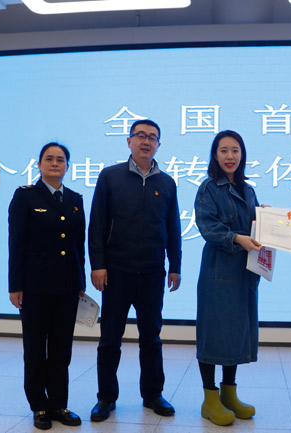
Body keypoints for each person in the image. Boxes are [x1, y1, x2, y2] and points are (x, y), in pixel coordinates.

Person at [88, 119, 182, 421]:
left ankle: (153, 394)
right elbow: (97, 224)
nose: (146, 141)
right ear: (129, 141)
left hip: (153, 272)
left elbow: (173, 227)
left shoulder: (167, 183)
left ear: (158, 145)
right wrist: (98, 265)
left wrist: (175, 265)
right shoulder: (110, 176)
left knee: (151, 337)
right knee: (110, 338)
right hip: (116, 272)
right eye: (140, 135)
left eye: (152, 137)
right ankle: (106, 397)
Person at [8, 142, 85, 431]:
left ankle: (59, 404)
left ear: (67, 166)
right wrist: (15, 285)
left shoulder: (75, 199)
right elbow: (16, 244)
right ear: (39, 164)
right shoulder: (25, 196)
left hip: (67, 287)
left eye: (60, 160)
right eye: (49, 159)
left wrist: (80, 280)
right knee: (35, 348)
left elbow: (78, 245)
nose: (55, 164)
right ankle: (39, 405)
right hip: (34, 287)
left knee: (62, 349)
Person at [194, 130, 262, 426]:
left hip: (245, 271)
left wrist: (267, 221)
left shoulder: (248, 190)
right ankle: (210, 399)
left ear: (242, 154)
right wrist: (237, 237)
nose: (230, 156)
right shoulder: (209, 188)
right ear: (215, 155)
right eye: (224, 150)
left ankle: (229, 394)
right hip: (218, 270)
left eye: (235, 150)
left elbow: (258, 225)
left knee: (236, 332)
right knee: (213, 332)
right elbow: (207, 226)